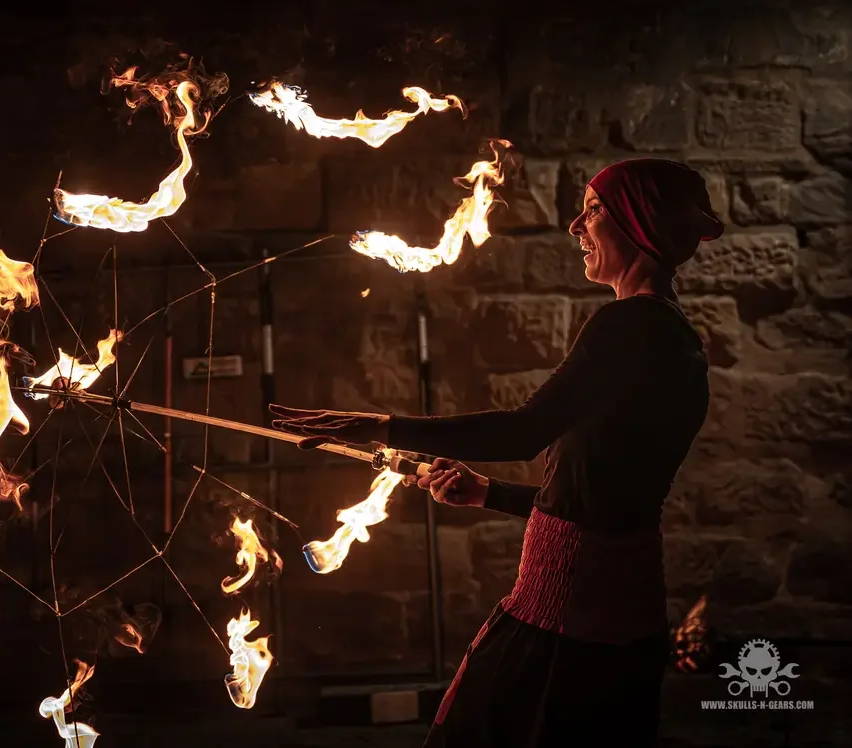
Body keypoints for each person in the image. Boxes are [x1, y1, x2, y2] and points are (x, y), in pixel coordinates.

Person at [270, 158, 725, 747]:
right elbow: (596, 499)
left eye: (593, 210)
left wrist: (377, 425)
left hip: (568, 623)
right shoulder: (667, 333)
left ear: (638, 224)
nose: (574, 227)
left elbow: (522, 432)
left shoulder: (630, 326)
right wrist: (486, 492)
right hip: (604, 614)